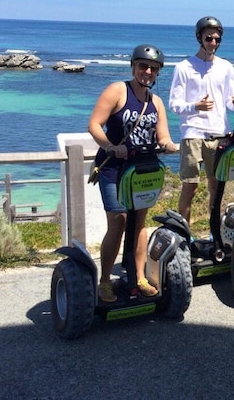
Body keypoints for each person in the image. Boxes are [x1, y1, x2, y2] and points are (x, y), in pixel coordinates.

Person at [88, 44, 179, 303]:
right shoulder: (118, 90)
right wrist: (110, 146)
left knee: (139, 222)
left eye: (153, 68)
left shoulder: (156, 102)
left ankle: (138, 277)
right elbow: (94, 124)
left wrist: (170, 146)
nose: (147, 71)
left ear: (158, 73)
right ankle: (105, 281)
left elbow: (163, 136)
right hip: (113, 168)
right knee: (118, 220)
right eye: (143, 66)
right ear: (133, 66)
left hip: (140, 171)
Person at [168, 16, 234, 228]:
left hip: (219, 133)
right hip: (193, 133)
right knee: (190, 187)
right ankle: (184, 232)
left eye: (217, 40)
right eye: (209, 38)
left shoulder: (226, 67)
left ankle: (214, 234)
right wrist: (196, 106)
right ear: (199, 38)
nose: (213, 43)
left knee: (216, 187)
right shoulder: (183, 67)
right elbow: (174, 104)